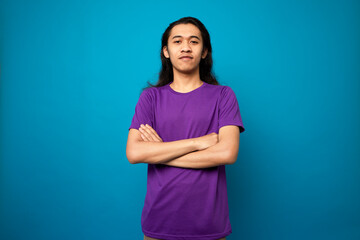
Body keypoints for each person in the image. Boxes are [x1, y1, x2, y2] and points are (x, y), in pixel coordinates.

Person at [126, 16, 245, 240]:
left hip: (210, 225)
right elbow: (134, 153)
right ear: (166, 51)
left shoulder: (223, 96)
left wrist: (159, 153)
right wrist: (197, 143)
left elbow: (227, 153)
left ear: (204, 52)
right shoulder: (150, 98)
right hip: (159, 222)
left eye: (194, 41)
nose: (186, 48)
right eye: (177, 41)